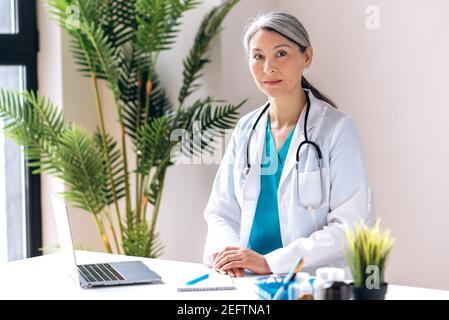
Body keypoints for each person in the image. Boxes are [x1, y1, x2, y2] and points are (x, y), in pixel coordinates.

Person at [203, 11, 374, 277]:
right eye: (258, 56)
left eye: (281, 53)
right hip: (250, 280)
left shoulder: (337, 129)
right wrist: (230, 256)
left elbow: (348, 225)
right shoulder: (246, 129)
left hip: (312, 281)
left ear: (307, 57)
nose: (268, 67)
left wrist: (271, 263)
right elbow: (221, 211)